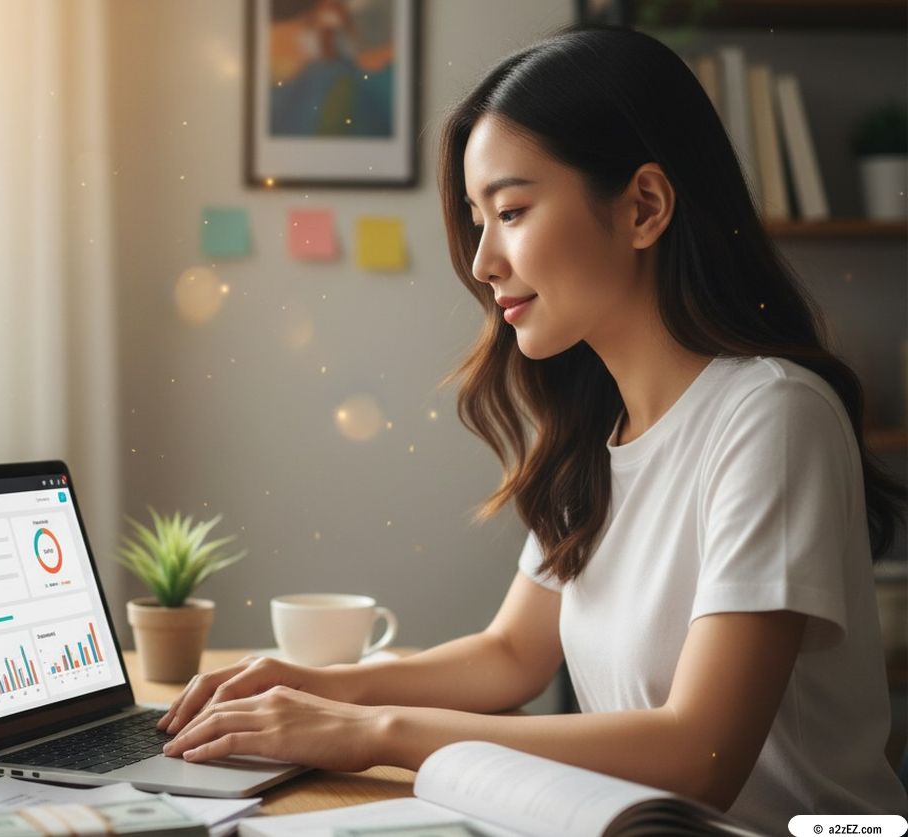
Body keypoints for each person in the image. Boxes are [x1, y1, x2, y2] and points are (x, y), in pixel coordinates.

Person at [156, 23, 908, 830]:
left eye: (511, 210)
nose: (482, 262)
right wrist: (313, 684)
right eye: (478, 218)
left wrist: (370, 729)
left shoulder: (772, 415)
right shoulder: (600, 429)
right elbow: (511, 654)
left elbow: (702, 753)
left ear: (644, 207)